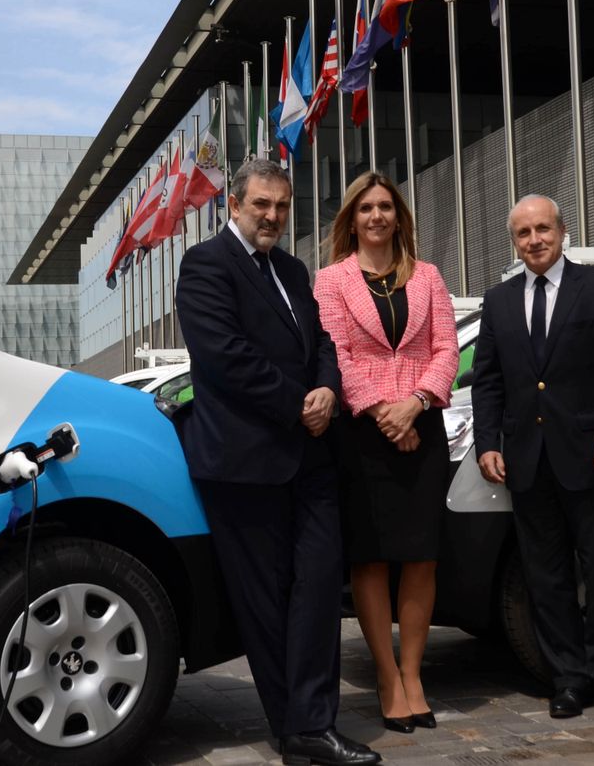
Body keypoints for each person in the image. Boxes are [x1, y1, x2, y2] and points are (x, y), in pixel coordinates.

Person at [175, 157, 379, 766]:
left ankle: (314, 723)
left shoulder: (292, 270)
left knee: (317, 590)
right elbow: (224, 357)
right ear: (233, 205)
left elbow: (321, 341)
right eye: (261, 204)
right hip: (243, 462)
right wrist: (298, 404)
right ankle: (295, 731)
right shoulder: (205, 265)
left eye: (282, 206)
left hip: (310, 457)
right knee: (265, 605)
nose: (272, 216)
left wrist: (326, 390)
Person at [469, 194, 594, 722]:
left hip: (593, 456)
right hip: (528, 460)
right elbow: (488, 381)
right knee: (545, 577)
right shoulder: (498, 301)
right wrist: (489, 443)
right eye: (524, 233)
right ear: (514, 241)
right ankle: (568, 678)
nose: (535, 240)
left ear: (562, 231)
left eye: (543, 229)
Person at [313, 173, 459, 734]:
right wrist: (383, 412)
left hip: (422, 424)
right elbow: (336, 353)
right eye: (366, 208)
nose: (377, 216)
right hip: (362, 429)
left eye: (386, 207)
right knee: (371, 558)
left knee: (421, 555)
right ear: (352, 218)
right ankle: (386, 676)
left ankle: (414, 674)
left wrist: (416, 403)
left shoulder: (427, 276)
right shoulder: (330, 281)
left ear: (399, 217)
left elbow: (446, 347)